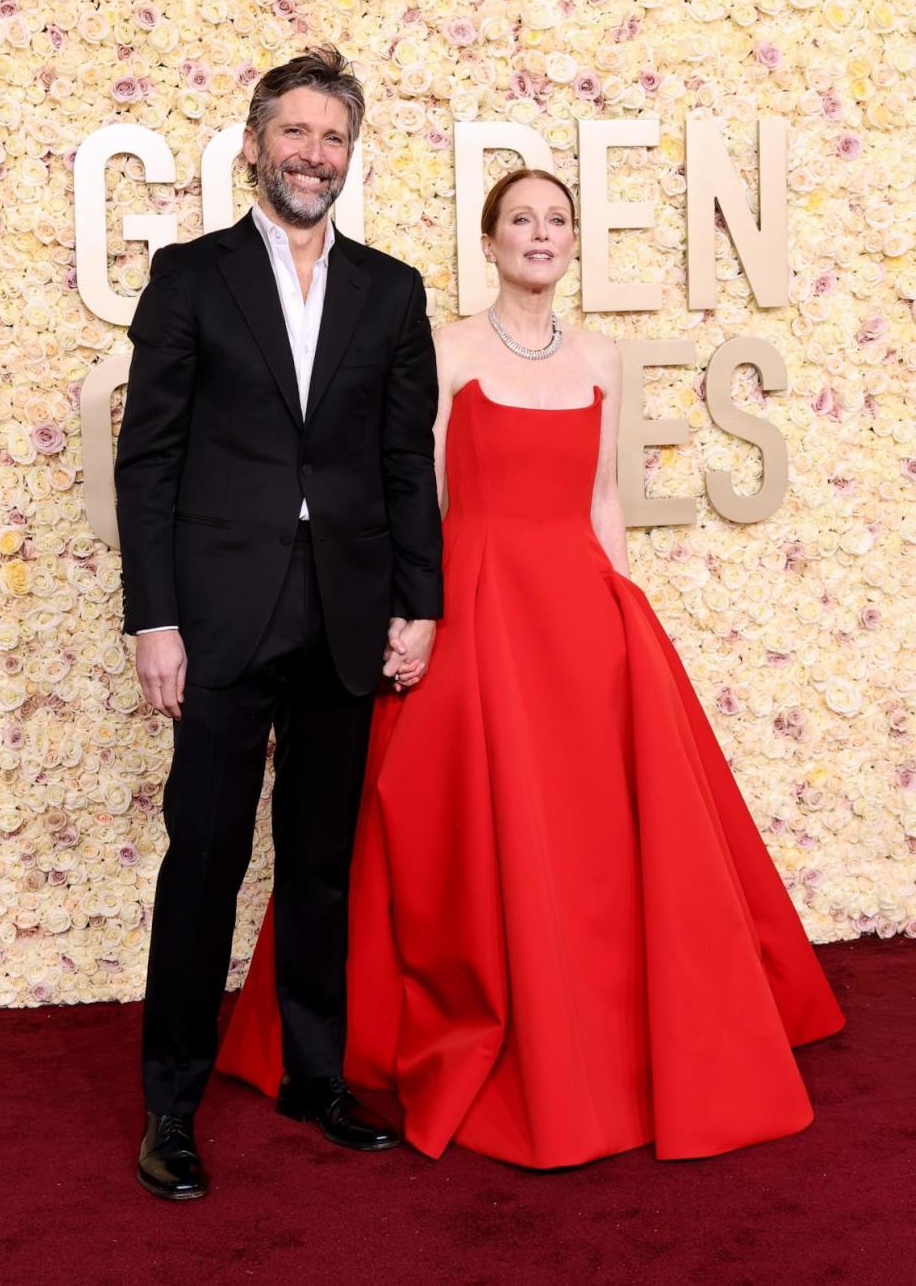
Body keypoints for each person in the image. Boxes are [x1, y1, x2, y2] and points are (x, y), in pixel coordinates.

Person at [217, 168, 845, 1168]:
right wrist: (411, 614)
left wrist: (624, 613)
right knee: (450, 819)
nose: (540, 235)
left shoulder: (604, 355)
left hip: (577, 611)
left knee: (596, 834)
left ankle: (603, 1021)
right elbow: (409, 492)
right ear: (493, 238)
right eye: (522, 220)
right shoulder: (447, 347)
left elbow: (602, 501)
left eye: (557, 220)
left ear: (572, 241)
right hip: (472, 607)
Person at [115, 46, 443, 1200]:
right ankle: (171, 1104)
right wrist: (153, 620)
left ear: (351, 156)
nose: (313, 155)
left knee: (318, 863)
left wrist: (422, 604)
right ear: (255, 145)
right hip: (217, 618)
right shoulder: (191, 277)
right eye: (294, 134)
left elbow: (408, 460)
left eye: (333, 138)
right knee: (204, 857)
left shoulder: (391, 290)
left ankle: (315, 1077)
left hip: (349, 614)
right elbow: (146, 459)